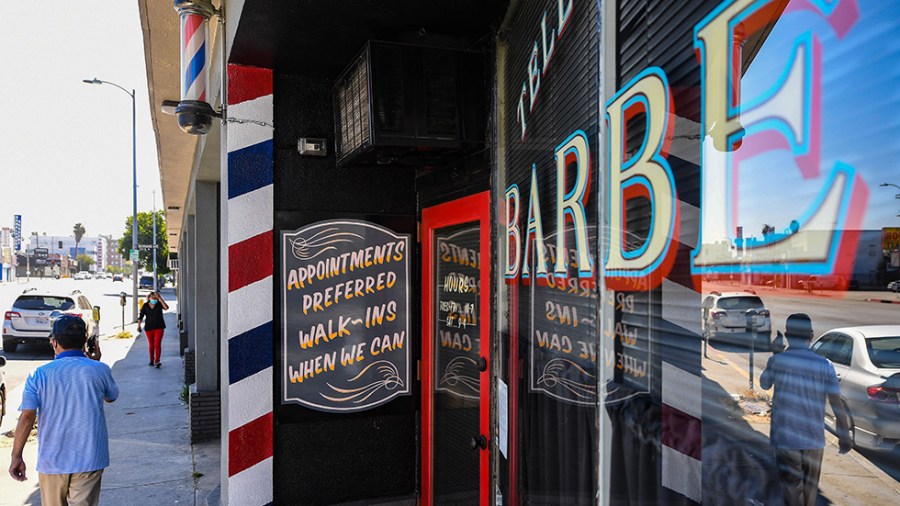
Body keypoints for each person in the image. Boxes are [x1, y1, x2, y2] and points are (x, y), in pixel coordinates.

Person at [9, 315, 119, 506]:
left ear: (54, 342)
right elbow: (111, 397)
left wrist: (16, 455)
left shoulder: (38, 375)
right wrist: (96, 362)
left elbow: (27, 417)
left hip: (52, 460)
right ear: (85, 341)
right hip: (90, 458)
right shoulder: (99, 369)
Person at [760, 313, 851, 506]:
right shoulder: (825, 365)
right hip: (814, 439)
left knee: (791, 488)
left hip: (785, 439)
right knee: (810, 490)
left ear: (787, 334)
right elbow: (836, 403)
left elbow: (764, 384)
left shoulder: (779, 360)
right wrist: (844, 435)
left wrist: (775, 353)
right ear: (811, 335)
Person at [137, 291, 169, 368]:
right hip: (149, 328)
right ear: (149, 297)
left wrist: (160, 298)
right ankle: (151, 360)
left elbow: (166, 307)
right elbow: (141, 316)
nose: (154, 299)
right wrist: (139, 325)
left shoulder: (159, 304)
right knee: (151, 344)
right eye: (152, 297)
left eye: (155, 298)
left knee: (157, 344)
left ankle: (157, 361)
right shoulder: (145, 305)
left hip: (159, 327)